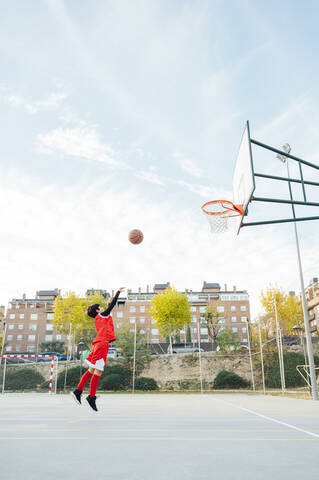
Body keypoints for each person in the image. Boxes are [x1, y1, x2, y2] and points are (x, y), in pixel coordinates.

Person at [72, 287, 125, 411]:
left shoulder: (99, 317)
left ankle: (78, 391)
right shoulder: (101, 315)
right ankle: (90, 396)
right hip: (101, 345)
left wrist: (108, 303)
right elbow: (110, 308)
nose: (103, 308)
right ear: (97, 310)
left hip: (98, 344)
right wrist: (117, 293)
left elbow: (107, 310)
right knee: (98, 371)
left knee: (91, 370)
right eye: (101, 306)